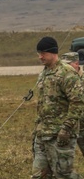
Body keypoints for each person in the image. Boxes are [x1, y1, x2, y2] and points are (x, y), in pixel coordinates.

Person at [32, 37, 84, 178]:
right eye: (39, 53)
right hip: (43, 134)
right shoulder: (43, 74)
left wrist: (66, 128)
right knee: (39, 174)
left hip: (61, 136)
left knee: (63, 174)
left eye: (43, 53)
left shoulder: (67, 73)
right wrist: (37, 129)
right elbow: (42, 104)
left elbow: (78, 102)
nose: (40, 56)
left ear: (53, 53)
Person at [61, 51, 84, 156]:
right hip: (70, 124)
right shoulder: (63, 78)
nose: (65, 67)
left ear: (76, 63)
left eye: (67, 64)